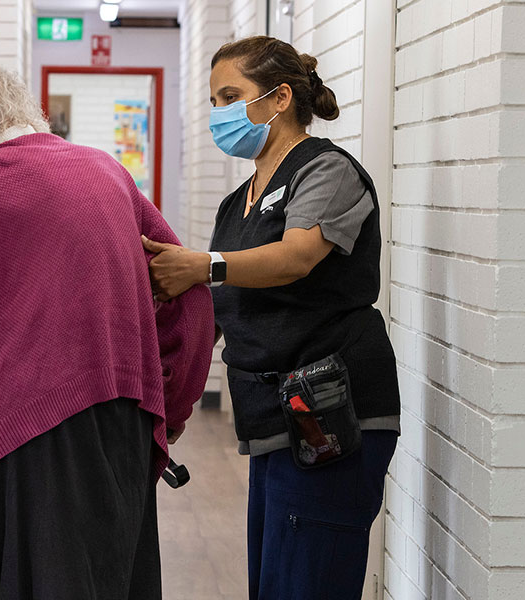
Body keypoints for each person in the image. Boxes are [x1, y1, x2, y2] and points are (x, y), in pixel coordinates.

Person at [0, 61, 216, 599]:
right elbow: (193, 298)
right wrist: (170, 409)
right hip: (123, 420)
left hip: (20, 432)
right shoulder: (110, 173)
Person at [141, 36, 401, 599]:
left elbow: (295, 257)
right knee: (275, 583)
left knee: (309, 583)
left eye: (231, 96)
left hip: (335, 412)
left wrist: (201, 266)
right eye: (214, 102)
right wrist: (168, 406)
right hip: (272, 419)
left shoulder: (327, 170)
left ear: (280, 97)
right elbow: (212, 310)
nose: (220, 114)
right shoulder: (237, 202)